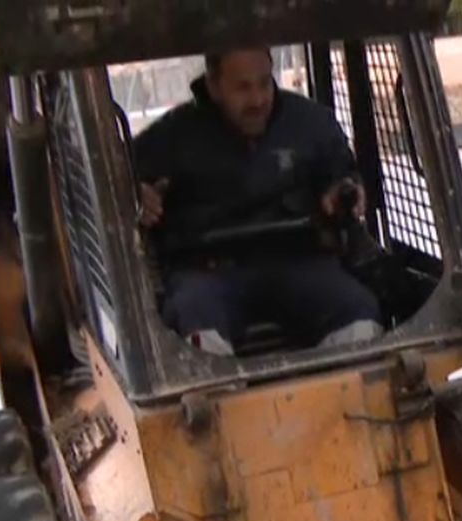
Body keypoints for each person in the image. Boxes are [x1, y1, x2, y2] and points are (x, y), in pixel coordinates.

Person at [132, 48, 383, 357]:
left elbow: (342, 172)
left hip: (299, 260)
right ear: (213, 86)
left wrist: (344, 188)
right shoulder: (172, 136)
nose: (258, 100)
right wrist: (137, 194)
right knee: (193, 321)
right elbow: (120, 180)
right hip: (207, 270)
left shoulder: (310, 123)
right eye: (243, 88)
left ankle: (353, 383)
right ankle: (216, 387)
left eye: (265, 83)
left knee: (358, 311)